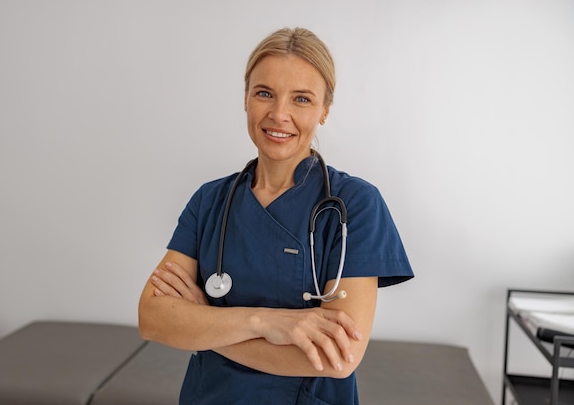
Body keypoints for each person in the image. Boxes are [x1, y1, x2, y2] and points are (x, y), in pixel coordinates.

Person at [138, 27, 414, 405]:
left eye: (301, 99)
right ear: (246, 98)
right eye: (264, 93)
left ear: (325, 110)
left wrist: (206, 322)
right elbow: (153, 318)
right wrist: (264, 322)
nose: (279, 114)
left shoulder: (356, 205)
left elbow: (337, 358)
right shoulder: (210, 201)